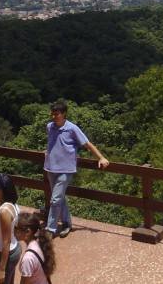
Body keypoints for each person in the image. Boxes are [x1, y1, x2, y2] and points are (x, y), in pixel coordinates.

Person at [44, 99, 109, 237]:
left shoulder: (72, 128)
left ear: (64, 114)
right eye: (53, 113)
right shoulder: (50, 127)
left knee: (55, 199)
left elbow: (87, 144)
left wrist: (101, 158)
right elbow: (52, 143)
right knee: (59, 198)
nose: (54, 116)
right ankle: (67, 223)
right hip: (50, 168)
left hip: (66, 170)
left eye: (57, 114)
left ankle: (50, 229)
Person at [0, 173, 21, 284]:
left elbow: (6, 241)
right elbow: (13, 231)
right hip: (10, 252)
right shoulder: (11, 204)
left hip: (8, 254)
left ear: (3, 190)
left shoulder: (4, 211)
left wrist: (1, 269)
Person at [15, 212, 56, 284]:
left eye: (16, 228)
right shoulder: (39, 242)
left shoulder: (28, 258)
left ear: (28, 232)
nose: (13, 231)